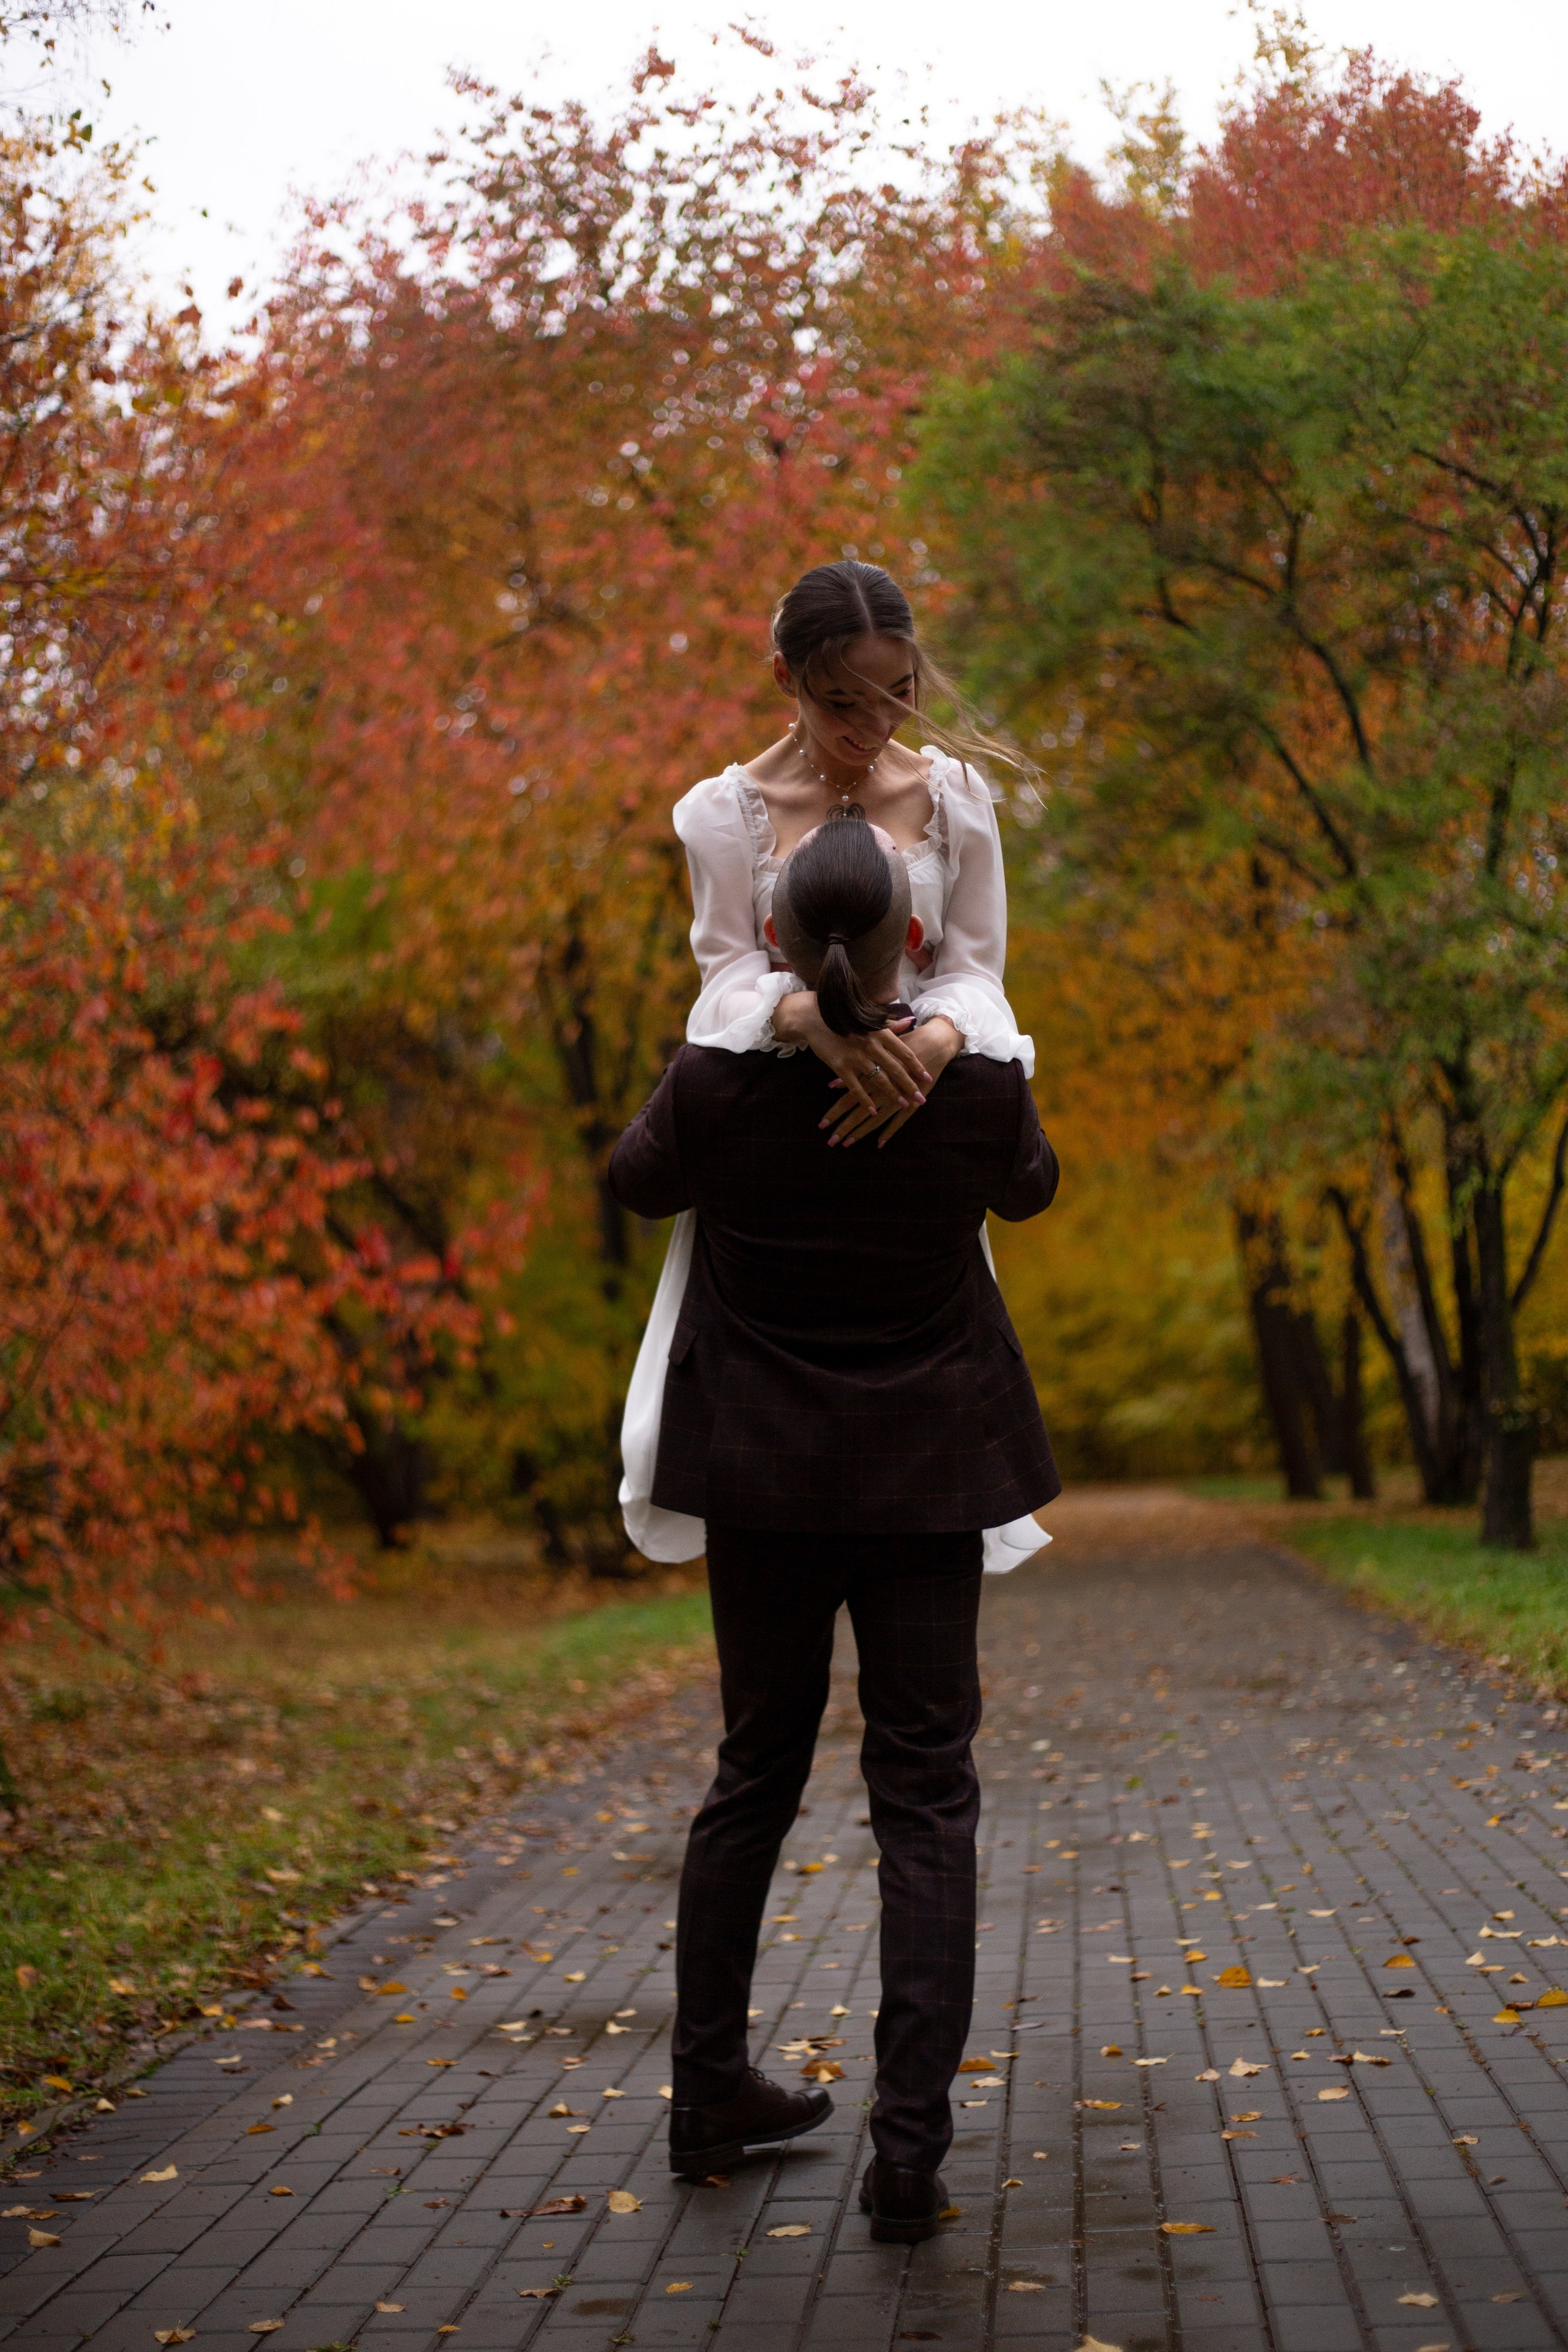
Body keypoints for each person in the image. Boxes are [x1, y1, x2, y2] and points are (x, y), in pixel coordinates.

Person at [608, 813, 1060, 2245]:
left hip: (766, 1482)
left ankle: (703, 2097)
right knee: (925, 1795)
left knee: (753, 1773)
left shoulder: (717, 1089)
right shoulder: (974, 1093)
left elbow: (633, 1180)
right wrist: (939, 1050)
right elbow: (1034, 1187)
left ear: (780, 950)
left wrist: (761, 1038)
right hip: (926, 1477)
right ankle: (908, 2152)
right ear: (914, 942)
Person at [619, 557, 1045, 1577]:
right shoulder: (727, 813)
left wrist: (937, 1043)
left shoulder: (956, 799)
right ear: (786, 678)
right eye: (841, 698)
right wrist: (807, 1016)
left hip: (911, 1123)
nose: (874, 723)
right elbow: (721, 977)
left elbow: (979, 970)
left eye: (898, 692)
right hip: (778, 1140)